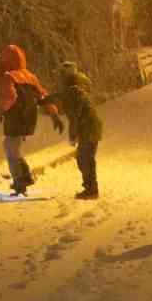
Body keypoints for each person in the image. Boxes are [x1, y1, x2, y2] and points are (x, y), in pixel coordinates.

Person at [0, 44, 59, 195]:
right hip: (29, 118)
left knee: (11, 148)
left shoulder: (8, 76)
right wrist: (54, 113)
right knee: (13, 147)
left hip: (15, 118)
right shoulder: (30, 77)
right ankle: (25, 177)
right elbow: (42, 95)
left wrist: (0, 109)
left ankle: (20, 181)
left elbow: (10, 97)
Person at [43, 61, 102, 199]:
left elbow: (74, 116)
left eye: (61, 75)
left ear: (65, 76)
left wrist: (72, 135)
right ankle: (91, 188)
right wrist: (43, 100)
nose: (59, 78)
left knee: (84, 159)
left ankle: (91, 190)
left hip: (87, 127)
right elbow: (60, 96)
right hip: (92, 126)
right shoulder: (77, 88)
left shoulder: (72, 91)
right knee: (85, 158)